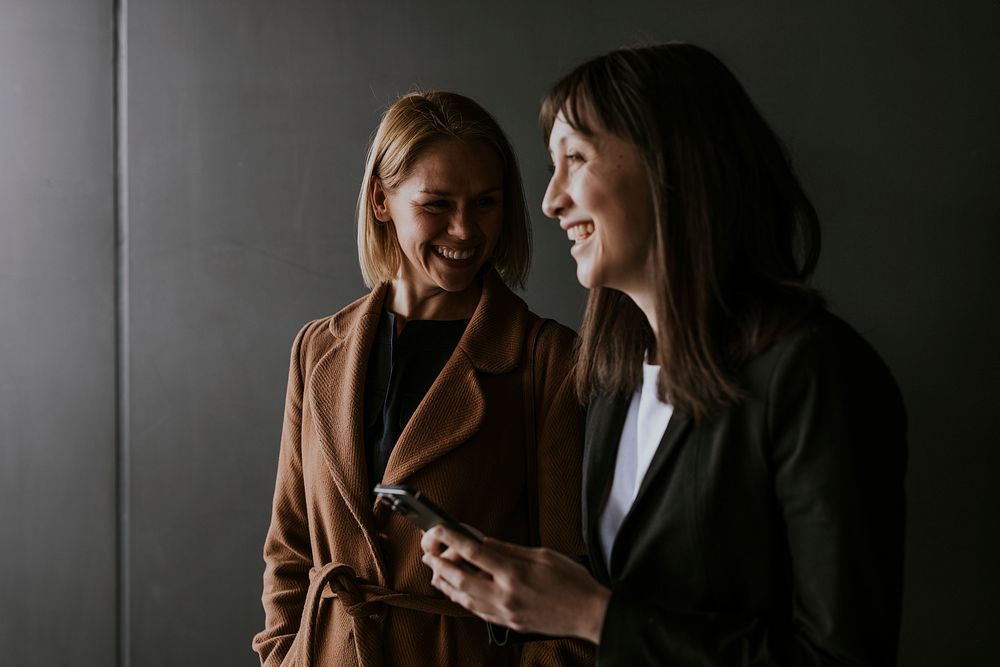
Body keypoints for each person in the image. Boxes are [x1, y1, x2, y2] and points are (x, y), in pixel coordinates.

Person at [421, 44, 907, 666]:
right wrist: (525, 588)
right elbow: (660, 587)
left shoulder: (816, 374)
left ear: (670, 167)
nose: (550, 201)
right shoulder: (611, 378)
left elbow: (841, 658)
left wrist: (590, 614)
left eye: (575, 158)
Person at [253, 91, 593, 666]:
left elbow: (570, 581)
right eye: (437, 204)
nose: (465, 229)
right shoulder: (317, 350)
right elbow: (290, 548)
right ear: (382, 201)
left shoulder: (548, 360)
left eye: (485, 203)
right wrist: (283, 656)